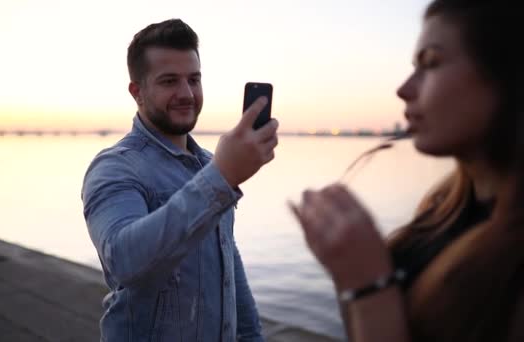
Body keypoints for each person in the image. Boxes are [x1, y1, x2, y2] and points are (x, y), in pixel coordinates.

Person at [290, 1, 524, 341]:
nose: (404, 89)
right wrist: (349, 272)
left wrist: (369, 285)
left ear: (509, 76)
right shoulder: (442, 207)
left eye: (431, 63)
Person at [81, 19, 278, 342]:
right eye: (170, 81)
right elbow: (122, 259)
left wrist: (251, 336)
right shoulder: (115, 167)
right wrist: (223, 176)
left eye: (194, 79)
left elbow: (228, 265)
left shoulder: (209, 165)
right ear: (137, 92)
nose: (186, 94)